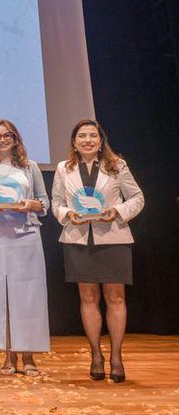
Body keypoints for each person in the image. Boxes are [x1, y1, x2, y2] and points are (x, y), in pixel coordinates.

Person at [51, 119, 144, 383]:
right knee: (88, 298)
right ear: (74, 142)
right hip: (78, 239)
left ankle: (116, 356)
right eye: (82, 136)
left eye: (93, 135)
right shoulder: (63, 168)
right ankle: (95, 355)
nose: (88, 140)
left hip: (113, 237)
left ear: (101, 141)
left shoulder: (116, 165)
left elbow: (137, 198)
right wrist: (68, 214)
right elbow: (56, 202)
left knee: (115, 297)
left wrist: (116, 211)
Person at [0, 119, 50, 377]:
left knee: (28, 297)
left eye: (7, 135)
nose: (2, 139)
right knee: (0, 297)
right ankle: (8, 356)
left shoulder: (30, 167)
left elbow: (44, 203)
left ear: (15, 139)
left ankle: (29, 357)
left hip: (25, 236)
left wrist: (29, 204)